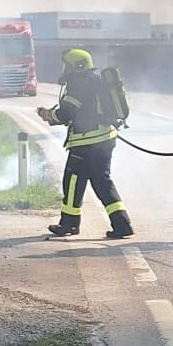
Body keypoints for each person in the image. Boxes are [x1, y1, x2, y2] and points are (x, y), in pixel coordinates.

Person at [38, 48, 134, 239]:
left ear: (75, 66)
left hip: (86, 142)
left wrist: (49, 115)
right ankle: (122, 224)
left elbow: (67, 113)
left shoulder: (77, 84)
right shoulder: (95, 80)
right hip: (106, 138)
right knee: (102, 181)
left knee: (73, 180)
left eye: (66, 65)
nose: (64, 69)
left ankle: (69, 224)